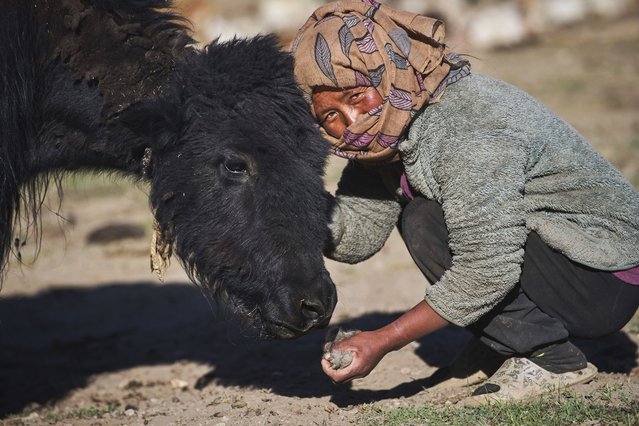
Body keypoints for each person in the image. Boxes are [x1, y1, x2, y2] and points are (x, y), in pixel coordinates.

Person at [290, 0, 639, 405]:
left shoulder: (464, 129)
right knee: (428, 216)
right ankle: (504, 344)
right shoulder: (389, 134)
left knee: (425, 221)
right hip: (562, 262)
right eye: (329, 115)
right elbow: (357, 237)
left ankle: (550, 358)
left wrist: (386, 339)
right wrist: (288, 200)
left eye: (356, 96)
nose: (350, 121)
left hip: (603, 277)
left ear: (387, 72)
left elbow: (487, 269)